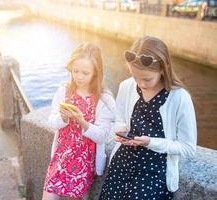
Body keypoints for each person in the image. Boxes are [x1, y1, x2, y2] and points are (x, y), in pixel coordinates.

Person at [99, 36, 197, 200]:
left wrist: (150, 142)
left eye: (147, 79)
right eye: (135, 76)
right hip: (122, 163)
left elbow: (188, 148)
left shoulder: (180, 98)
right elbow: (119, 119)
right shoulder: (126, 86)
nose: (141, 84)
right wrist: (121, 130)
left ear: (163, 68)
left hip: (155, 170)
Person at [42, 43, 116, 200]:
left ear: (96, 73)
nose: (79, 76)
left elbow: (103, 136)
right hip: (61, 154)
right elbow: (52, 122)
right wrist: (63, 118)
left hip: (84, 160)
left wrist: (83, 122)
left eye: (85, 73)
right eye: (75, 71)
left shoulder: (104, 99)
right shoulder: (64, 90)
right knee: (48, 194)